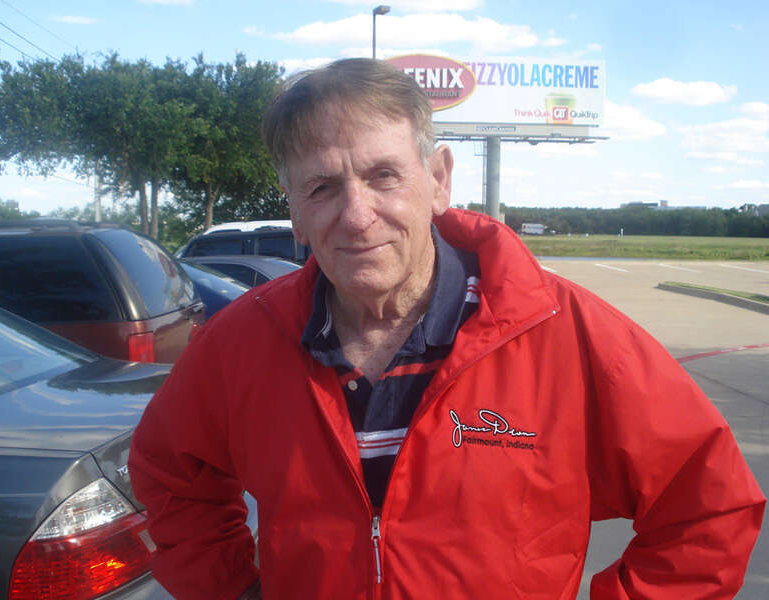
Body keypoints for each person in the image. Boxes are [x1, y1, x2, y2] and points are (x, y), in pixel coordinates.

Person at [129, 58, 765, 599]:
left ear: (437, 181)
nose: (357, 216)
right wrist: (234, 590)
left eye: (384, 175)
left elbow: (709, 508)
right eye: (322, 187)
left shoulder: (562, 331)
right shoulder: (243, 342)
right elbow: (168, 472)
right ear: (292, 209)